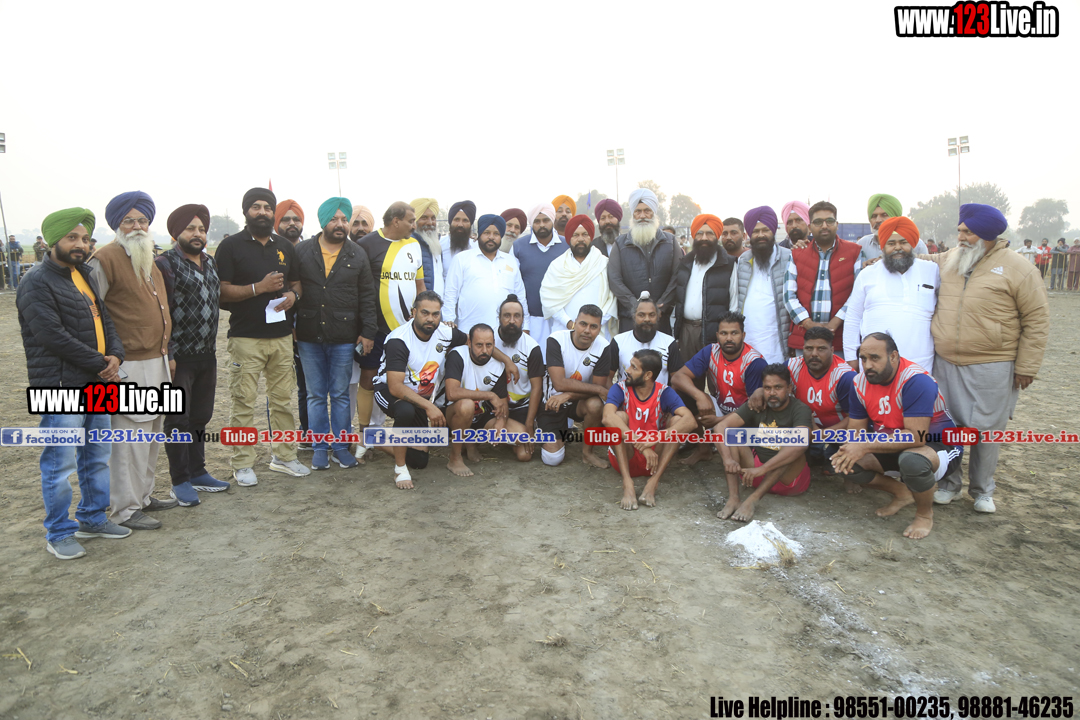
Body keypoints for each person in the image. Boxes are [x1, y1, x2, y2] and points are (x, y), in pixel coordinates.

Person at [17, 208, 131, 558]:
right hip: (60, 386)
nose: (81, 244)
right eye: (72, 238)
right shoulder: (36, 281)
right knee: (60, 463)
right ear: (54, 240)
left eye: (84, 238)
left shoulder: (83, 274)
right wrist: (102, 364)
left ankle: (93, 518)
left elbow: (106, 321)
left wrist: (116, 355)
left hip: (97, 382)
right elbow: (51, 336)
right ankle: (59, 532)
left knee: (97, 455)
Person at [920, 203, 1048, 513]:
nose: (961, 237)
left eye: (968, 232)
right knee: (946, 427)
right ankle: (949, 485)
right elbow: (921, 260)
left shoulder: (1019, 268)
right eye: (960, 230)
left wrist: (1027, 366)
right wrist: (878, 259)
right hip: (945, 362)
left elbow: (1037, 320)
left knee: (987, 430)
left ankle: (982, 491)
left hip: (993, 363)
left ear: (988, 235)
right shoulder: (949, 259)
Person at [88, 191, 176, 530]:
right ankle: (124, 509)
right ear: (117, 224)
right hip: (126, 365)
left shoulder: (147, 257)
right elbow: (91, 314)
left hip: (157, 359)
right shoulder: (104, 258)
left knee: (152, 434)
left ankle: (144, 497)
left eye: (142, 220)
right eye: (129, 221)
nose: (137, 226)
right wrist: (104, 361)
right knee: (127, 441)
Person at [215, 187, 310, 486]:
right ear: (246, 211)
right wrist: (259, 288)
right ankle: (242, 463)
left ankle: (284, 456)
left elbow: (297, 283)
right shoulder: (230, 246)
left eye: (267, 208)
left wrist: (293, 297)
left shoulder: (285, 246)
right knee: (243, 402)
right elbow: (221, 291)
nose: (262, 212)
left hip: (281, 336)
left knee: (282, 400)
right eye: (256, 207)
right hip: (246, 337)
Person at [832, 333, 964, 539]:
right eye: (863, 359)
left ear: (893, 356)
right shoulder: (859, 382)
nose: (867, 365)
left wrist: (864, 446)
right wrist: (851, 450)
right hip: (894, 444)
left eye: (875, 358)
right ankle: (902, 492)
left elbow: (917, 436)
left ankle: (924, 515)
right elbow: (855, 433)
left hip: (938, 444)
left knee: (912, 461)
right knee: (843, 459)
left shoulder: (916, 380)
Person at [294, 197, 377, 471]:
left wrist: (368, 332)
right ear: (323, 222)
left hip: (344, 336)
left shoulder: (357, 254)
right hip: (308, 335)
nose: (340, 224)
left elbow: (367, 296)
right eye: (334, 219)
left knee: (341, 394)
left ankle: (341, 447)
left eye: (344, 219)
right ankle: (320, 447)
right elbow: (292, 288)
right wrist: (291, 326)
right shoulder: (302, 251)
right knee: (316, 395)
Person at [155, 204, 228, 507]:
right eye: (190, 229)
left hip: (206, 355)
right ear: (176, 233)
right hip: (178, 358)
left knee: (200, 416)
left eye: (201, 229)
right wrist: (169, 353)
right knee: (177, 420)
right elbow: (160, 313)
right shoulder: (164, 264)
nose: (197, 234)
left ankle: (198, 471)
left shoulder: (210, 262)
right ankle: (180, 480)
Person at [372, 291, 469, 488]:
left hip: (418, 398)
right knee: (405, 411)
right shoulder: (399, 340)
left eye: (435, 314)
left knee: (419, 460)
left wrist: (507, 362)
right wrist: (429, 407)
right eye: (425, 313)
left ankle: (375, 439)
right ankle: (400, 470)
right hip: (388, 391)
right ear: (414, 312)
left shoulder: (444, 332)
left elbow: (473, 341)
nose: (430, 319)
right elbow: (395, 387)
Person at [354, 202, 426, 458]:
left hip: (406, 332)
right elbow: (360, 289)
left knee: (399, 381)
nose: (414, 225)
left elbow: (420, 285)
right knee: (369, 377)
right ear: (395, 221)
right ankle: (365, 435)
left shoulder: (414, 245)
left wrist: (422, 315)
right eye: (411, 220)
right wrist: (365, 328)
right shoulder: (367, 245)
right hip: (376, 329)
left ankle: (385, 434)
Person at [714, 363, 813, 521]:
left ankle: (752, 500)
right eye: (767, 388)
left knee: (793, 444)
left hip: (788, 480)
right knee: (732, 435)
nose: (772, 393)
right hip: (753, 473)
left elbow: (800, 443)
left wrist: (762, 469)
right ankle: (733, 498)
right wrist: (727, 459)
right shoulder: (757, 404)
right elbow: (720, 427)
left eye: (778, 387)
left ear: (789, 388)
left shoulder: (800, 409)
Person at [748, 326, 854, 471]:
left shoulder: (845, 376)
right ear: (803, 348)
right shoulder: (792, 366)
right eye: (809, 348)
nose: (814, 354)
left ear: (832, 350)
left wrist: (820, 435)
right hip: (802, 429)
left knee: (843, 461)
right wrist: (759, 390)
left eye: (821, 349)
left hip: (834, 434)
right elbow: (772, 384)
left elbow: (855, 420)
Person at [670, 311, 767, 466]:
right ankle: (703, 449)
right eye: (724, 333)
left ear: (743, 335)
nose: (728, 338)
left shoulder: (754, 362)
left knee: (743, 461)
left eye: (734, 333)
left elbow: (755, 409)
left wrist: (719, 421)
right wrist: (700, 396)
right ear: (717, 335)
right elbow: (677, 377)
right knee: (679, 392)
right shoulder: (711, 351)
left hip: (746, 418)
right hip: (721, 407)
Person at [602, 349, 696, 510]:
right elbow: (607, 417)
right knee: (618, 417)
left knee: (678, 421)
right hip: (626, 455)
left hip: (654, 461)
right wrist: (642, 445)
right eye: (629, 365)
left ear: (647, 375)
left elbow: (691, 421)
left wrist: (657, 437)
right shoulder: (619, 388)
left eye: (634, 367)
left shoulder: (664, 392)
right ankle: (627, 483)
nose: (627, 371)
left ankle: (654, 481)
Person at [843, 216, 938, 372]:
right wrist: (851, 357)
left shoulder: (931, 270)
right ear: (883, 247)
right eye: (891, 243)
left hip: (920, 364)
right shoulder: (867, 274)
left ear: (912, 244)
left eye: (903, 242)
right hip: (874, 366)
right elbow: (853, 318)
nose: (897, 248)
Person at [537, 305, 613, 468]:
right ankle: (554, 431)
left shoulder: (604, 346)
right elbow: (559, 383)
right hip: (551, 402)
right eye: (583, 324)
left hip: (578, 401)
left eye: (593, 326)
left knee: (595, 404)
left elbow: (598, 389)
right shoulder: (556, 339)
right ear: (575, 323)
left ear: (599, 328)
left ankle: (587, 453)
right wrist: (598, 389)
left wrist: (569, 395)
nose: (587, 330)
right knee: (552, 459)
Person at [784, 201, 862, 357]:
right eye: (818, 222)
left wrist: (835, 322)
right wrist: (808, 323)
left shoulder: (854, 251)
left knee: (841, 374)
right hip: (805, 339)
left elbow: (858, 294)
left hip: (842, 338)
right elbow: (788, 295)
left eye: (829, 221)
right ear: (810, 226)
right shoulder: (797, 254)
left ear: (837, 224)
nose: (824, 226)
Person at [607, 188, 682, 333]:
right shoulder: (620, 244)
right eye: (638, 211)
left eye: (647, 211)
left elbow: (677, 276)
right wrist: (635, 306)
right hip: (630, 319)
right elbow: (614, 279)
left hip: (661, 318)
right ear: (633, 214)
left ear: (654, 212)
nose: (642, 216)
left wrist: (661, 305)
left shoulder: (670, 242)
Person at [444, 324, 511, 476]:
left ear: (494, 344)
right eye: (479, 345)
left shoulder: (498, 366)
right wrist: (490, 395)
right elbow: (452, 393)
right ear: (469, 343)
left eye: (489, 345)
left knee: (518, 434)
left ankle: (471, 442)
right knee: (466, 405)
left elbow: (502, 403)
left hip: (480, 417)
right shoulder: (457, 355)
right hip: (452, 415)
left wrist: (501, 421)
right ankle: (455, 457)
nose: (484, 350)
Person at [444, 214, 527, 335]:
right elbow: (450, 294)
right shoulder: (462, 259)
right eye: (486, 233)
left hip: (505, 333)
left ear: (501, 236)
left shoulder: (510, 261)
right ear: (479, 234)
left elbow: (520, 296)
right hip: (469, 331)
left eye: (496, 234)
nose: (491, 237)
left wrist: (525, 326)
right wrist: (448, 321)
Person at [728, 206, 791, 363]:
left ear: (773, 231)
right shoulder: (743, 260)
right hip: (748, 339)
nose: (761, 235)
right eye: (756, 231)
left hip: (778, 339)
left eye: (765, 230)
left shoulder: (789, 257)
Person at [540, 214, 618, 340]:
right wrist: (569, 323)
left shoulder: (604, 264)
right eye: (575, 235)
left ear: (591, 237)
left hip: (598, 334)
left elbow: (612, 301)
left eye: (585, 234)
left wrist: (595, 325)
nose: (580, 239)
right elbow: (548, 299)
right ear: (569, 238)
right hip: (564, 332)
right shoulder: (557, 266)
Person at [673, 214, 736, 364]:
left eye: (709, 233)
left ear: (717, 236)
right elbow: (678, 299)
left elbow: (734, 303)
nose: (704, 238)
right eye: (700, 233)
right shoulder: (685, 263)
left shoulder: (728, 264)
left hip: (715, 332)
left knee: (714, 375)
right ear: (694, 236)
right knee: (687, 374)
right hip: (686, 331)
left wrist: (728, 334)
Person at [273, 199, 309, 445]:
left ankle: (308, 433)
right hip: (277, 330)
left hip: (309, 329)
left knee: (307, 387)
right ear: (277, 223)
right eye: (285, 219)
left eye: (296, 219)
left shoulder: (310, 251)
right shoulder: (270, 251)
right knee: (279, 389)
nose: (291, 223)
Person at [493, 294, 545, 460]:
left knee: (524, 455)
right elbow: (471, 342)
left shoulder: (532, 347)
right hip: (494, 407)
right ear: (499, 318)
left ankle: (510, 436)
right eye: (507, 316)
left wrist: (529, 423)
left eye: (517, 316)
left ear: (523, 319)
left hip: (521, 406)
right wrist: (507, 360)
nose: (512, 321)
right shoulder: (488, 339)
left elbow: (537, 388)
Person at [512, 201, 567, 352]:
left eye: (546, 220)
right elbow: (514, 283)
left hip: (561, 319)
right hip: (531, 320)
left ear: (553, 220)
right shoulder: (518, 246)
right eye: (537, 221)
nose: (542, 225)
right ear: (531, 223)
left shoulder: (567, 245)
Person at [610, 291, 681, 385]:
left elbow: (677, 380)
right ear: (634, 316)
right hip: (625, 394)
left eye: (652, 315)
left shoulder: (669, 343)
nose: (647, 319)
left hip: (660, 394)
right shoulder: (618, 341)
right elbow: (607, 378)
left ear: (658, 316)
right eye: (641, 315)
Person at [858, 193, 928, 266]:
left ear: (896, 217)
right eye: (874, 216)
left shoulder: (917, 245)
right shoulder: (862, 244)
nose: (878, 220)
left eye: (884, 215)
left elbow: (924, 269)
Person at [411, 198, 443, 295]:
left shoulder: (437, 243)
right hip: (421, 302)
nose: (430, 222)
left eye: (433, 218)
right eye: (424, 218)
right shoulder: (410, 244)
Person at [441, 200, 478, 281]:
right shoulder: (440, 245)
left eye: (465, 220)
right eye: (456, 220)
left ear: (470, 224)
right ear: (450, 222)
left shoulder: (477, 247)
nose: (460, 224)